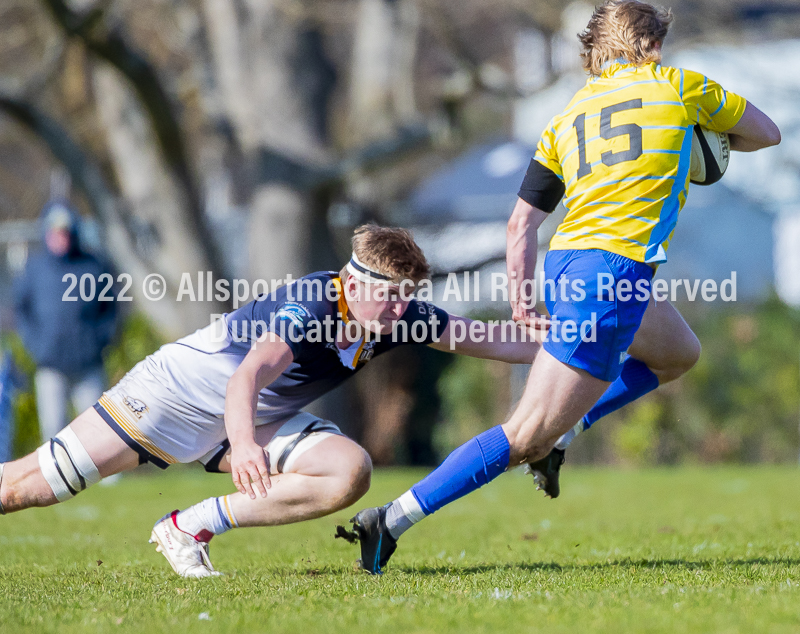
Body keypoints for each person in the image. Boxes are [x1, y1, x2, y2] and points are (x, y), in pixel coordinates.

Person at [344, 0, 781, 574]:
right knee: (524, 434)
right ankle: (392, 519)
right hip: (617, 271)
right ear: (649, 46)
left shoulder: (567, 116)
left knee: (678, 353)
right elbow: (766, 134)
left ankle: (569, 430)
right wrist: (706, 138)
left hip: (569, 261)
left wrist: (523, 298)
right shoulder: (679, 84)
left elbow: (522, 222)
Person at [0, 224, 544, 578]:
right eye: (392, 299)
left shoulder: (400, 320)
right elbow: (246, 377)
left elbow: (496, 341)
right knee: (27, 488)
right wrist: (242, 444)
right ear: (353, 286)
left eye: (409, 300)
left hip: (255, 418)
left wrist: (583, 340)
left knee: (348, 471)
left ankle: (188, 526)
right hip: (175, 396)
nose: (402, 313)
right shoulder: (314, 302)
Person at [13, 201, 118, 441]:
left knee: (99, 430)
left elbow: (111, 310)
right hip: (49, 364)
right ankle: (57, 479)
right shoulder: (34, 268)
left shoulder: (94, 265)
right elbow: (21, 311)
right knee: (53, 432)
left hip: (88, 364)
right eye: (55, 232)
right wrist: (37, 346)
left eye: (65, 232)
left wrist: (98, 343)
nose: (61, 238)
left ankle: (114, 480)